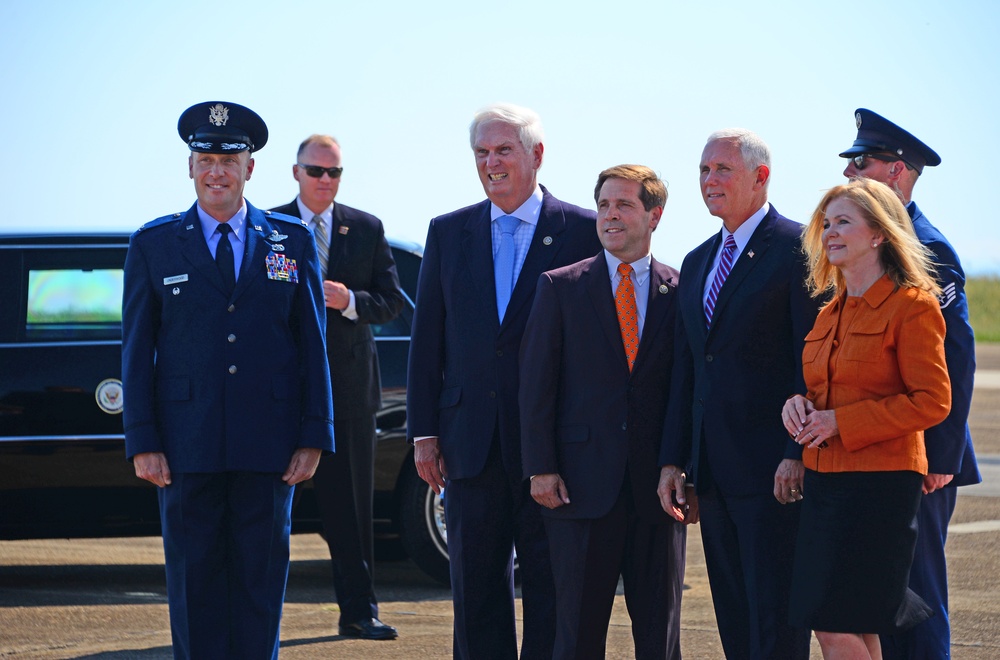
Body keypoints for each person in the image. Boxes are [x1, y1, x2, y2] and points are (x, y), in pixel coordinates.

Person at [122, 101, 335, 659]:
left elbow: (312, 341)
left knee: (259, 586)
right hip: (185, 448)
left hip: (269, 446)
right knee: (195, 588)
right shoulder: (154, 243)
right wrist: (143, 441)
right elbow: (137, 350)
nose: (217, 170)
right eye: (206, 158)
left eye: (229, 158)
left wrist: (314, 435)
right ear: (189, 168)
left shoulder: (289, 240)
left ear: (250, 168)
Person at [406, 103, 602, 659]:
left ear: (536, 155)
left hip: (554, 449)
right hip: (470, 446)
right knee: (475, 593)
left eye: (504, 150)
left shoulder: (583, 231)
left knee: (551, 592)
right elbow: (428, 343)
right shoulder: (448, 233)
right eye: (482, 153)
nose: (491, 163)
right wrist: (423, 432)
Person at [657, 128, 817, 659]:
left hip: (773, 473)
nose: (709, 181)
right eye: (703, 170)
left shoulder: (799, 249)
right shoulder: (699, 259)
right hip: (713, 475)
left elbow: (809, 362)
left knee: (775, 623)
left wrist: (797, 453)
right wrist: (674, 460)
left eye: (722, 170)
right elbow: (687, 370)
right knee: (734, 622)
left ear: (760, 177)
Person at [519, 165, 686, 659]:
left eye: (624, 205)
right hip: (579, 490)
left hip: (657, 493)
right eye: (604, 206)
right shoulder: (560, 286)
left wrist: (681, 465)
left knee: (660, 636)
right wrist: (541, 468)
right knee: (576, 637)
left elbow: (685, 388)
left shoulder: (681, 290)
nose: (610, 216)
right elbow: (536, 386)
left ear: (655, 215)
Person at [781, 177, 952, 657]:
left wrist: (842, 423)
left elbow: (933, 400)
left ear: (879, 233)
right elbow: (819, 390)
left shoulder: (912, 306)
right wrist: (797, 406)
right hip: (825, 483)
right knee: (854, 624)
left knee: (833, 623)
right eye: (826, 223)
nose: (830, 232)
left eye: (843, 223)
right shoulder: (829, 312)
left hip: (881, 485)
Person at [838, 108, 982, 659]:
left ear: (897, 172)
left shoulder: (927, 247)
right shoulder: (875, 244)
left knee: (917, 596)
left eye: (863, 162)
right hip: (877, 449)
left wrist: (939, 455)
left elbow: (956, 358)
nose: (851, 174)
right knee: (880, 597)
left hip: (920, 456)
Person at [270, 134, 404, 640]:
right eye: (316, 171)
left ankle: (359, 611)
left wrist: (350, 299)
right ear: (296, 172)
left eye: (334, 173)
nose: (325, 180)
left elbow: (391, 301)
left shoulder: (365, 228)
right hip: (280, 393)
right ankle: (255, 614)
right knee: (266, 510)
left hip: (348, 393)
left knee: (351, 511)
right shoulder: (270, 227)